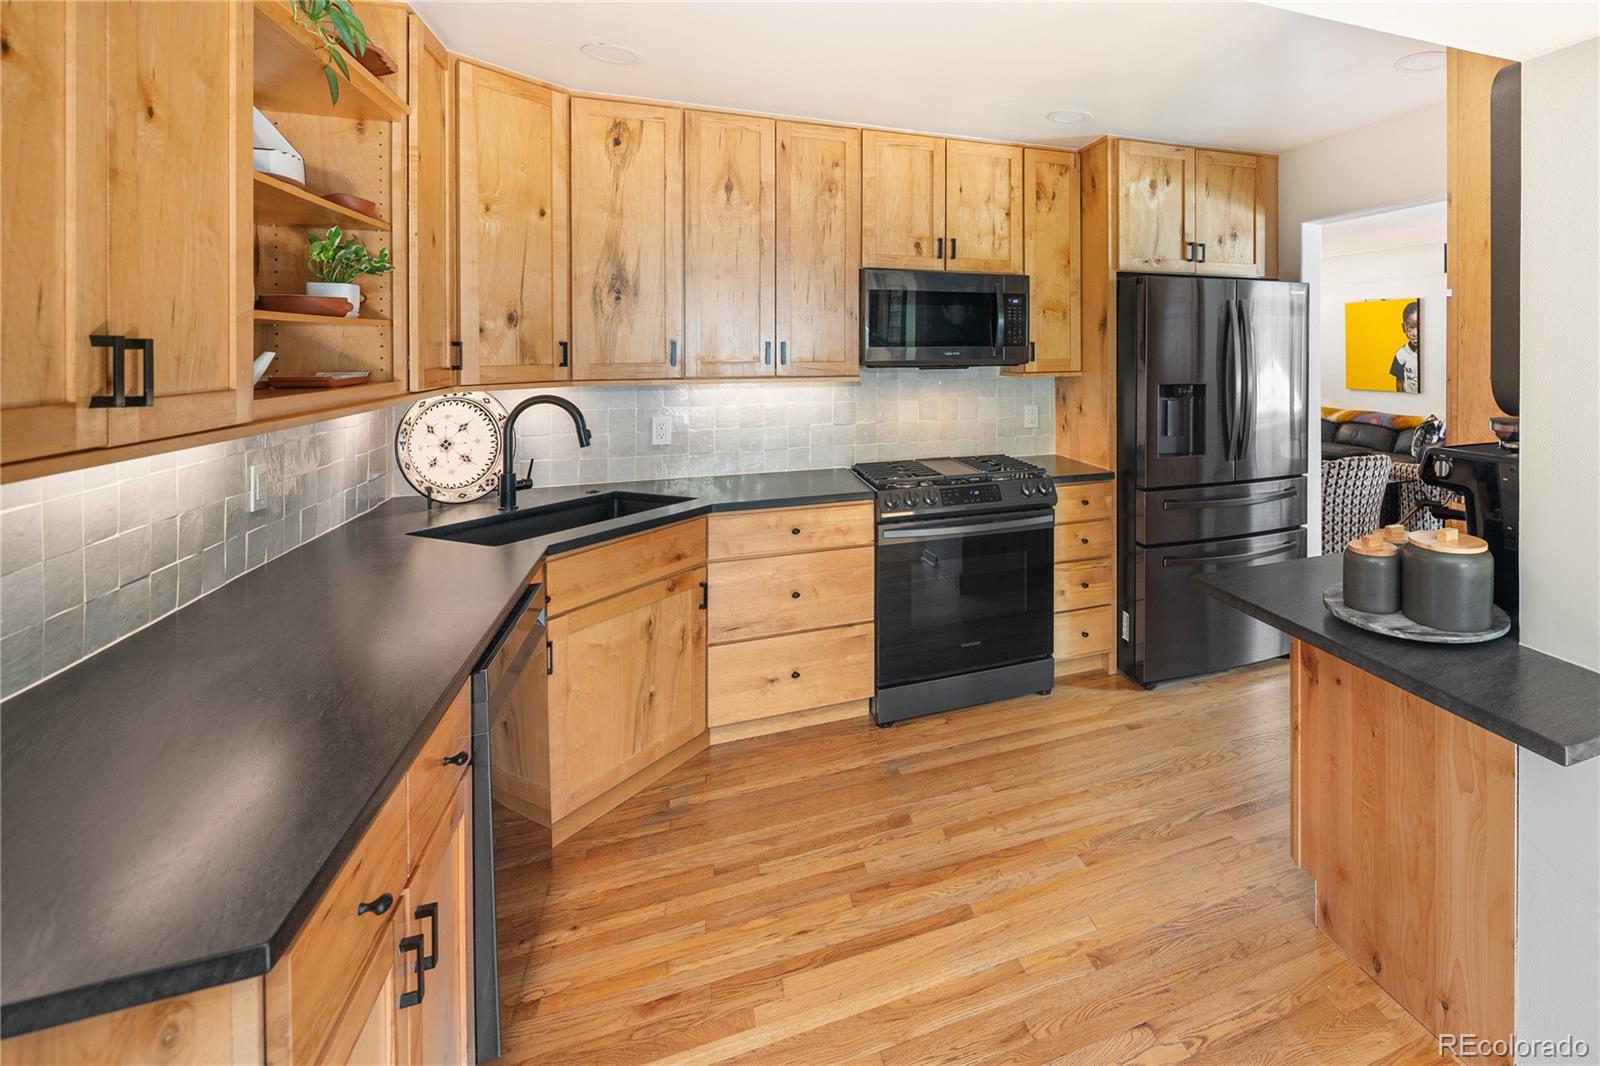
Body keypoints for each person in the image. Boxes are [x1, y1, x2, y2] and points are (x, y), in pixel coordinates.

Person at [1388, 301, 1420, 393]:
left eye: (1419, 327)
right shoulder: (1401, 355)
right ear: (1403, 328)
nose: (1415, 333)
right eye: (1410, 327)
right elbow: (1399, 381)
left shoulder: (1433, 352)